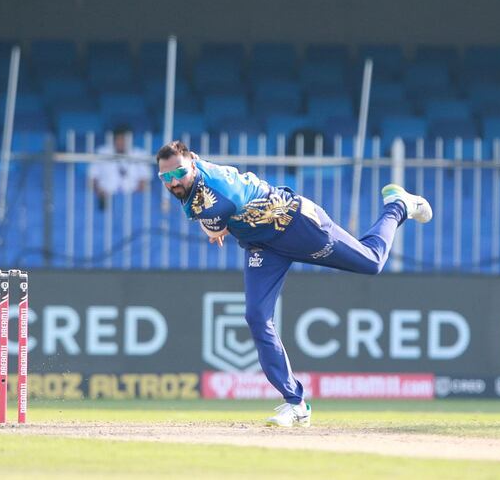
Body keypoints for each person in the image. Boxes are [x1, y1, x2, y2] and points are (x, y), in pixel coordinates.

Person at [156, 140, 432, 427]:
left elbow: (214, 228)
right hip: (261, 244)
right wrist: (218, 223)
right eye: (165, 177)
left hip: (297, 225)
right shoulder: (196, 172)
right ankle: (296, 404)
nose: (173, 182)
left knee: (372, 262)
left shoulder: (218, 195)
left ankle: (398, 205)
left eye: (178, 173)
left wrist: (217, 226)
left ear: (192, 164)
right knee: (256, 316)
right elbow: (213, 221)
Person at [89, 124, 151, 209]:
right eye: (119, 139)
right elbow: (92, 178)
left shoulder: (140, 154)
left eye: (124, 139)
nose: (121, 142)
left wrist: (133, 197)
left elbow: (145, 181)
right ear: (114, 140)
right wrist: (100, 192)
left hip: (133, 199)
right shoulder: (102, 152)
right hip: (106, 197)